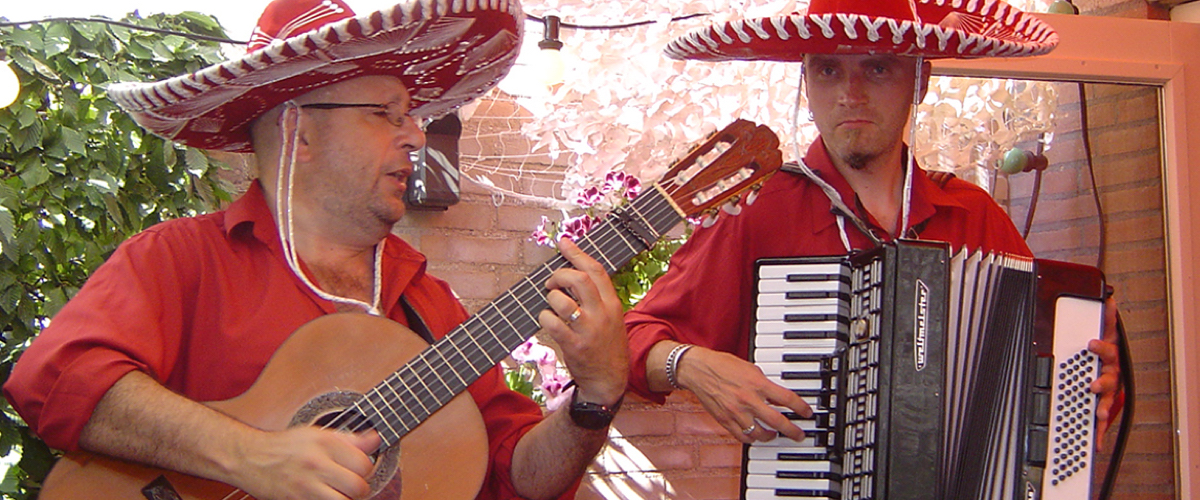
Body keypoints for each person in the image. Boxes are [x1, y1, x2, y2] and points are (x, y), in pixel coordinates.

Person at [3, 0, 629, 499]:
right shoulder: (179, 260)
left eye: (412, 114)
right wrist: (252, 456)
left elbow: (515, 475)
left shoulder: (430, 305)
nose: (416, 134)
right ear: (297, 131)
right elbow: (56, 378)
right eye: (387, 112)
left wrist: (594, 401)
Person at [625, 0, 1124, 449]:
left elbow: (1050, 369)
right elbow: (631, 337)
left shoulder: (973, 214)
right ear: (807, 80)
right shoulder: (759, 209)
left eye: (878, 67)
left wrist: (1089, 381)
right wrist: (689, 364)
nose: (850, 94)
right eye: (827, 70)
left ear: (920, 79)